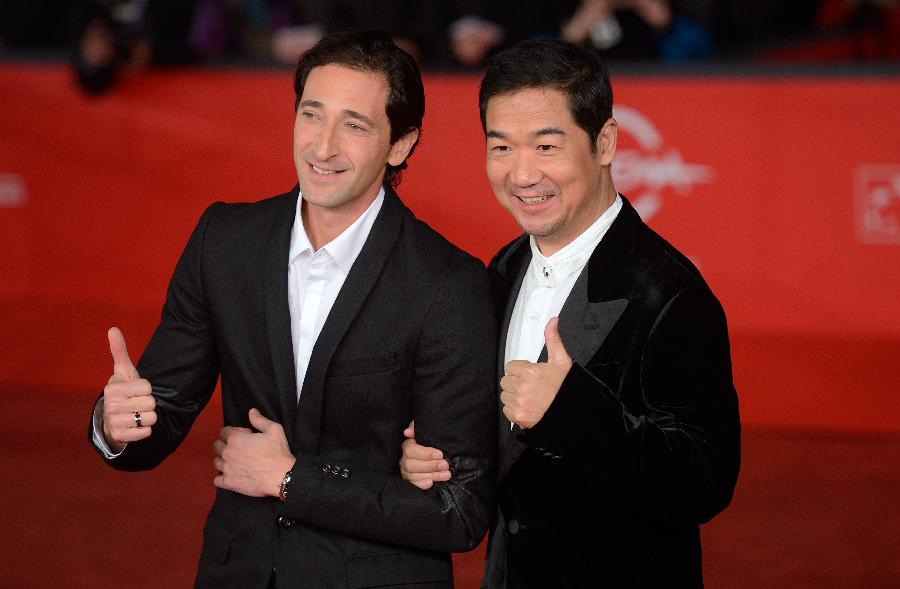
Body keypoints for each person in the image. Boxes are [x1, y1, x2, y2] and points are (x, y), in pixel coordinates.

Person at [88, 30, 497, 589]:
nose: (322, 147)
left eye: (354, 125)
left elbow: (460, 510)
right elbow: (159, 415)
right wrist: (119, 426)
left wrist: (291, 480)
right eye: (311, 115)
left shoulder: (448, 285)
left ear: (401, 144)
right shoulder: (224, 242)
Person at [400, 38, 740, 588]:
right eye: (501, 147)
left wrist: (572, 413)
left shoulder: (670, 293)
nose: (522, 175)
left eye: (547, 146)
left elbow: (704, 482)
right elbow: (506, 453)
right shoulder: (502, 270)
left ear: (604, 143)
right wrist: (440, 458)